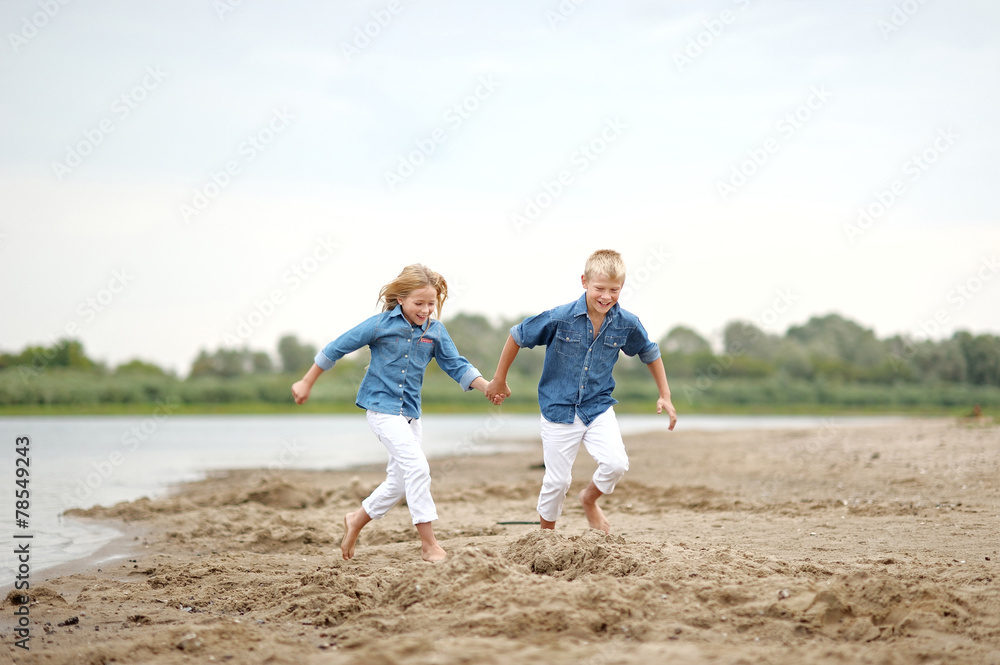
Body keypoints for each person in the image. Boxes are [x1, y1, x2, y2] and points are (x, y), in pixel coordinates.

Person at [292, 264, 501, 562]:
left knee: (399, 482)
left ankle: (356, 520)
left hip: (410, 414)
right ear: (400, 299)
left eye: (431, 303)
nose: (426, 309)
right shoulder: (380, 325)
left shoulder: (435, 331)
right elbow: (337, 347)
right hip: (380, 409)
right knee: (418, 467)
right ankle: (429, 544)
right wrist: (306, 381)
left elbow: (457, 366)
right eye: (419, 303)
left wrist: (488, 387)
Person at [485, 249, 677, 534]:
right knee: (557, 482)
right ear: (585, 281)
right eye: (600, 288)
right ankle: (546, 534)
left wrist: (665, 394)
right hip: (558, 409)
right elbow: (517, 335)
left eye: (615, 289)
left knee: (616, 464)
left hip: (598, 406)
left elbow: (650, 352)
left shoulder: (627, 323)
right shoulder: (560, 318)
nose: (606, 296)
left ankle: (589, 499)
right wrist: (499, 379)